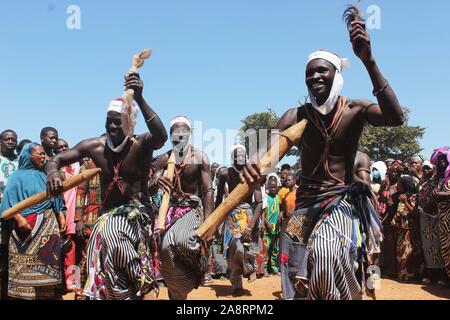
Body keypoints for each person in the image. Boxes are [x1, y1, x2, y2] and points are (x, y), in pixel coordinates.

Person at [242, 15, 404, 299]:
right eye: (309, 73)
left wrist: (369, 61)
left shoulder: (355, 110)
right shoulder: (295, 117)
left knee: (326, 252)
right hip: (304, 205)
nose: (314, 77)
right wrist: (253, 163)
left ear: (336, 75)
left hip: (339, 202)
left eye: (321, 71)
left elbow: (395, 117)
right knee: (290, 263)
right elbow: (264, 151)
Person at [45, 72, 168, 300]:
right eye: (109, 120)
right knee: (104, 257)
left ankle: (142, 278)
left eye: (118, 121)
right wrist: (52, 171)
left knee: (112, 233)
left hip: (137, 214)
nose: (112, 125)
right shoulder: (94, 146)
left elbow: (161, 136)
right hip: (107, 215)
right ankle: (126, 291)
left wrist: (140, 99)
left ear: (129, 122)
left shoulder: (141, 144)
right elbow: (55, 159)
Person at [151, 116, 214, 300]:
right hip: (167, 211)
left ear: (190, 133)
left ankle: (198, 269)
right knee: (165, 252)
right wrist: (155, 181)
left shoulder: (200, 157)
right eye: (176, 131)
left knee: (179, 241)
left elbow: (208, 191)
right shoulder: (164, 159)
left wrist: (209, 223)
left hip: (191, 209)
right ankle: (176, 291)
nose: (180, 134)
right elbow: (149, 185)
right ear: (170, 135)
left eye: (184, 130)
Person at [0, 143, 66, 300]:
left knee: (47, 263)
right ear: (29, 157)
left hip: (48, 226)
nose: (44, 157)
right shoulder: (17, 177)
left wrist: (61, 213)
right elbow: (7, 204)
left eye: (44, 154)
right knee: (23, 269)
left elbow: (55, 197)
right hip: (26, 228)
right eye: (40, 154)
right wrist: (19, 218)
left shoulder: (44, 175)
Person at [215, 145, 263, 296]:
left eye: (243, 155)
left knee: (243, 247)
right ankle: (237, 285)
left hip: (247, 214)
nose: (241, 157)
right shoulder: (226, 174)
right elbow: (218, 200)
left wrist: (251, 226)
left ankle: (250, 268)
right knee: (232, 250)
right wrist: (216, 222)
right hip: (230, 214)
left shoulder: (253, 174)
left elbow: (260, 202)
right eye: (237, 155)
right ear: (233, 158)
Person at [73, 157, 102, 299]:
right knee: (86, 256)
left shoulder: (120, 162)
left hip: (112, 217)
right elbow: (80, 192)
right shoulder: (89, 164)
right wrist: (78, 220)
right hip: (91, 217)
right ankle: (81, 292)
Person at [54, 139, 80, 292]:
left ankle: (73, 282)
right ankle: (64, 282)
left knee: (76, 248)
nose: (63, 148)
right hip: (65, 213)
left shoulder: (78, 166)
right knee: (65, 247)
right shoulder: (56, 169)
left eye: (65, 146)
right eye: (60, 148)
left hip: (78, 213)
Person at [417, 160, 447, 286]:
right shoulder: (424, 184)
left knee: (439, 246)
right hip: (425, 219)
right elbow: (420, 200)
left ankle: (442, 277)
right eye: (424, 168)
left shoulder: (441, 182)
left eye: (428, 168)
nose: (425, 171)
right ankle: (431, 275)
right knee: (427, 247)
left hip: (437, 217)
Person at [391, 175, 423, 282]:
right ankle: (401, 275)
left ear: (404, 185)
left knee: (408, 252)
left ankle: (410, 275)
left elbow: (415, 213)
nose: (397, 186)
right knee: (400, 252)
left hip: (410, 229)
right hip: (401, 228)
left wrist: (405, 202)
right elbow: (400, 211)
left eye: (399, 184)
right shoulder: (401, 196)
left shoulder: (413, 196)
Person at [0, 129, 19, 299]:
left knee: (10, 255)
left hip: (16, 212)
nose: (11, 142)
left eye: (13, 139)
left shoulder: (20, 161)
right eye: (7, 139)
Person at [430, 147, 450, 280]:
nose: (442, 163)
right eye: (440, 160)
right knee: (446, 250)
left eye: (445, 160)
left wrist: (442, 194)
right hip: (443, 220)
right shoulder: (438, 179)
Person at [263, 175, 281, 276]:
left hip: (276, 229)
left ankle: (273, 267)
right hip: (268, 228)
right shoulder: (266, 198)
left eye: (275, 187)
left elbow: (281, 209)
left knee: (275, 249)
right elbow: (263, 213)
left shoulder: (278, 197)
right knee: (266, 248)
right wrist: (266, 223)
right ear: (268, 187)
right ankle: (265, 268)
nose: (273, 189)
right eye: (271, 187)